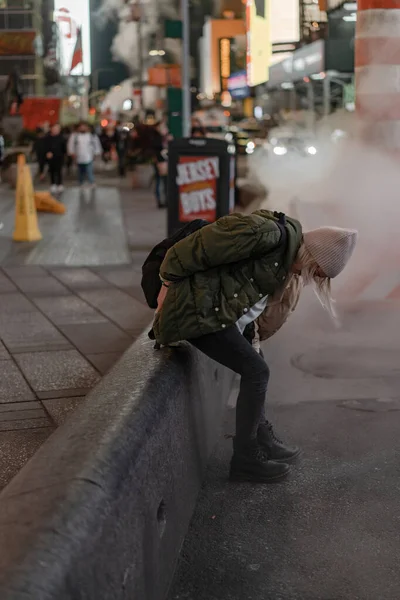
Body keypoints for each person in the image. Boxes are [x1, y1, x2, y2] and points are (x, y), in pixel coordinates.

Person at [153, 211, 358, 484]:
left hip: (218, 314)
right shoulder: (263, 234)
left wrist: (253, 335)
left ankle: (260, 436)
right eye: (319, 272)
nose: (315, 278)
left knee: (257, 363)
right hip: (195, 312)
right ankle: (245, 458)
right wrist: (165, 289)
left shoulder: (286, 258)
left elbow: (248, 298)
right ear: (313, 257)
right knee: (256, 371)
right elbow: (184, 253)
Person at [68, 121, 102, 187]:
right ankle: (81, 182)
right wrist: (72, 153)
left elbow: (96, 145)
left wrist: (96, 153)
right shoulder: (75, 136)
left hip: (89, 156)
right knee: (80, 171)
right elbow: (71, 146)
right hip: (79, 156)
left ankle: (91, 182)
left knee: (89, 170)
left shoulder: (92, 136)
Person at [44, 123, 66, 194]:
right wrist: (47, 153)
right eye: (54, 129)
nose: (55, 130)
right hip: (51, 158)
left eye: (57, 129)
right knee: (52, 171)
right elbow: (44, 147)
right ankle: (53, 184)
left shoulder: (61, 138)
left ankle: (60, 184)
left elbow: (64, 149)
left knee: (59, 171)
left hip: (59, 157)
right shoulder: (47, 138)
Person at [150, 122, 168, 208]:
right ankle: (160, 200)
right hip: (160, 162)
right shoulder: (157, 138)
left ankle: (162, 199)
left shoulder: (163, 138)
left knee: (162, 181)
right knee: (160, 181)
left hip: (163, 162)